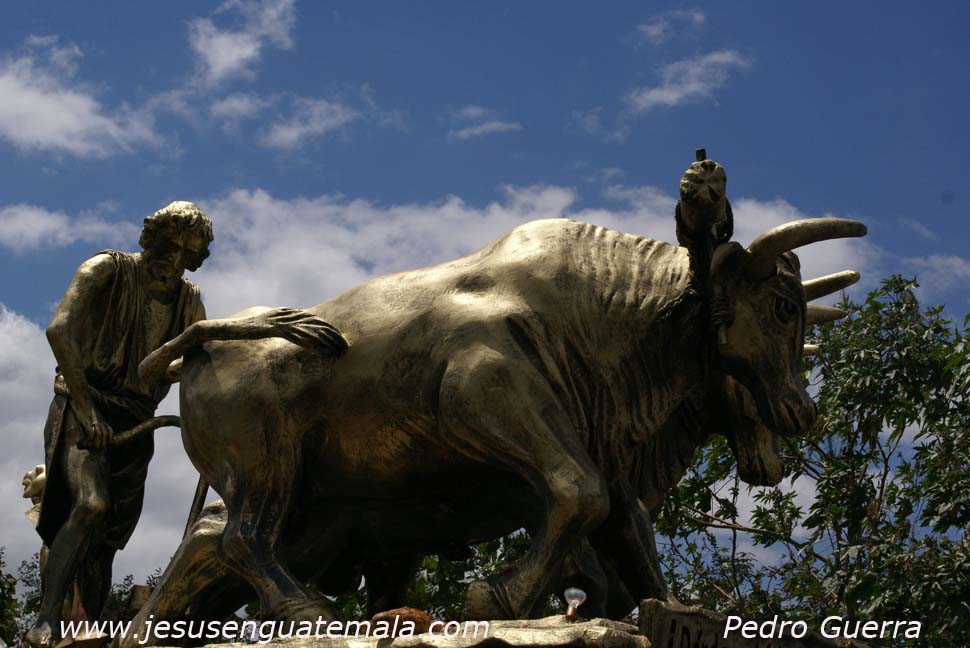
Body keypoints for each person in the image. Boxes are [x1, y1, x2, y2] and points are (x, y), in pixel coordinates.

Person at [25, 201, 212, 648]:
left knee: (109, 536)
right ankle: (45, 619)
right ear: (150, 237)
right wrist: (87, 410)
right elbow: (60, 330)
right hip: (82, 403)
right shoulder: (106, 269)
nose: (174, 260)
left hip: (136, 419)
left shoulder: (189, 300)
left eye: (186, 254)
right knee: (90, 505)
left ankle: (83, 625)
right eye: (168, 246)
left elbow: (198, 361)